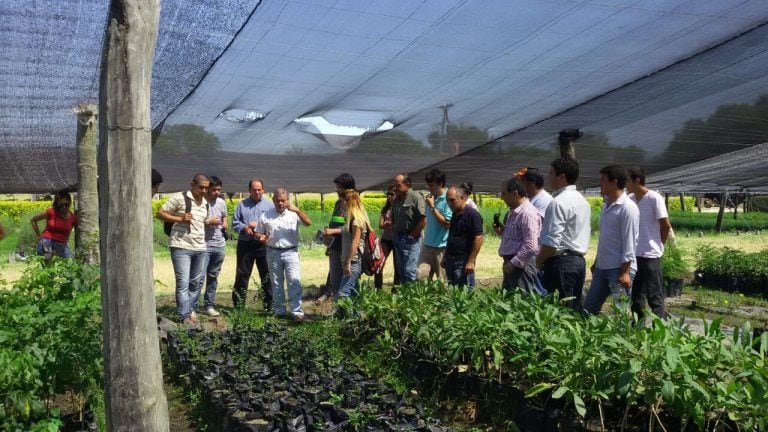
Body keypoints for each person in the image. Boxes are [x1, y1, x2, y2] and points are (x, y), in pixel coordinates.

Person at [535, 157, 591, 311]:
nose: (549, 177)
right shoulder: (583, 201)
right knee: (574, 310)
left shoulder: (558, 202)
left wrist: (538, 261)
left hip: (561, 264)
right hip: (578, 262)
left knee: (562, 312)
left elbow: (552, 242)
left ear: (562, 176)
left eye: (552, 173)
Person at [583, 165, 639, 316]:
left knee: (622, 314)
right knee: (588, 310)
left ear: (614, 182)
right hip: (603, 267)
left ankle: (625, 339)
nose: (600, 184)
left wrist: (625, 272)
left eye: (603, 180)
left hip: (619, 269)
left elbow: (629, 242)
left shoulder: (627, 208)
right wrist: (596, 262)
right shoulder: (606, 207)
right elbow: (605, 238)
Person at [156, 174, 210, 324]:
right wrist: (179, 219)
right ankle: (184, 315)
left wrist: (212, 221)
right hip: (181, 246)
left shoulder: (205, 203)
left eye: (206, 188)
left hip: (200, 247)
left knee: (196, 282)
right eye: (201, 187)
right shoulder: (179, 197)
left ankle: (190, 309)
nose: (204, 190)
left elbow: (203, 221)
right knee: (183, 282)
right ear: (192, 184)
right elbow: (159, 213)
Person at [257, 188, 312, 321]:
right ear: (273, 200)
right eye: (277, 201)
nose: (280, 203)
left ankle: (297, 312)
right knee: (276, 283)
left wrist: (297, 210)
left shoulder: (294, 214)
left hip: (291, 252)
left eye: (283, 200)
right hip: (273, 251)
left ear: (288, 200)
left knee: (294, 281)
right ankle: (279, 311)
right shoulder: (266, 215)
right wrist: (261, 238)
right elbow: (258, 232)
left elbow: (308, 223)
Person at [626, 167, 672, 320]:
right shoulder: (630, 199)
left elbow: (665, 225)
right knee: (636, 296)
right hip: (634, 255)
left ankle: (659, 329)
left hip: (650, 254)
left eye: (628, 180)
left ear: (637, 181)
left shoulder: (654, 198)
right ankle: (637, 328)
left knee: (655, 295)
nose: (626, 184)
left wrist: (660, 244)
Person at [232, 178, 275, 309]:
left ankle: (269, 306)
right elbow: (234, 223)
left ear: (263, 190)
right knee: (242, 275)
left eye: (259, 190)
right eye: (254, 190)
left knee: (266, 275)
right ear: (249, 190)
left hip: (263, 245)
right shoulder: (241, 205)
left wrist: (262, 230)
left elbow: (274, 223)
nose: (257, 192)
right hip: (246, 244)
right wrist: (245, 227)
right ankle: (238, 305)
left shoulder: (270, 206)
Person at [495, 177, 542, 294]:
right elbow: (519, 236)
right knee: (510, 301)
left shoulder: (527, 213)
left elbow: (531, 245)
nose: (501, 197)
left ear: (515, 193)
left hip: (521, 266)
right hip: (513, 264)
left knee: (522, 303)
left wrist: (513, 263)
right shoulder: (515, 211)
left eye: (504, 194)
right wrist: (503, 231)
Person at [322, 173, 356, 300]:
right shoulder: (338, 203)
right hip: (335, 247)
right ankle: (338, 310)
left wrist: (332, 231)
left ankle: (348, 311)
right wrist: (329, 242)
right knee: (335, 280)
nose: (337, 190)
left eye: (339, 188)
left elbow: (352, 229)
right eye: (336, 188)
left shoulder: (353, 204)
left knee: (347, 281)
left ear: (348, 188)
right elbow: (336, 223)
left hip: (347, 248)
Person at [443, 185, 484, 288]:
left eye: (452, 200)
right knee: (453, 290)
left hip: (463, 260)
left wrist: (471, 261)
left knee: (464, 292)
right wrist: (445, 256)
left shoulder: (472, 215)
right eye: (447, 201)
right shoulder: (455, 214)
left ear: (462, 198)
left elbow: (478, 238)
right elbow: (451, 236)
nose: (449, 204)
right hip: (451, 259)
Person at [391, 173, 427, 284]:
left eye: (398, 185)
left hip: (411, 239)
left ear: (407, 184)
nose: (395, 188)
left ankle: (412, 298)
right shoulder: (397, 199)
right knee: (401, 271)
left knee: (409, 271)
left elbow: (423, 219)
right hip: (398, 238)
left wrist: (412, 235)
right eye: (394, 186)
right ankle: (404, 297)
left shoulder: (416, 197)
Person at [338, 189, 372, 305]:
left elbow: (355, 243)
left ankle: (345, 319)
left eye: (343, 201)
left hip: (354, 261)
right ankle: (354, 319)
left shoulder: (357, 221)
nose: (342, 204)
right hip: (351, 260)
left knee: (344, 293)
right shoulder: (351, 219)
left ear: (349, 202)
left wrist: (348, 261)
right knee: (354, 293)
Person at [417, 169, 452, 282]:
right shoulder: (429, 199)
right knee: (420, 276)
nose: (429, 188)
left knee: (442, 282)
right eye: (428, 185)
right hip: (427, 245)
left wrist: (432, 207)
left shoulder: (448, 199)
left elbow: (447, 224)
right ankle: (424, 299)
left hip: (441, 247)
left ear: (441, 184)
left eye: (432, 185)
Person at [201, 176, 227, 317]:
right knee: (198, 278)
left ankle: (209, 305)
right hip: (204, 245)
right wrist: (208, 221)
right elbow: (195, 220)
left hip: (219, 244)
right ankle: (191, 307)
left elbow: (224, 217)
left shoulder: (222, 202)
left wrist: (225, 223)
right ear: (207, 189)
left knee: (213, 277)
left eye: (219, 190)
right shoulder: (202, 202)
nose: (217, 192)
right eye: (214, 190)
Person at [31, 191, 78, 259]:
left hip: (61, 244)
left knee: (70, 262)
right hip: (46, 243)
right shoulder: (51, 211)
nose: (64, 207)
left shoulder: (73, 218)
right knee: (48, 263)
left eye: (66, 204)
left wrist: (66, 242)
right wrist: (38, 235)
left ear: (70, 202)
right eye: (61, 205)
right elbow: (33, 220)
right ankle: (47, 261)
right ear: (57, 204)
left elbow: (68, 233)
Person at [375, 185, 400, 289]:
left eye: (392, 194)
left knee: (398, 266)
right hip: (386, 239)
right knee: (378, 263)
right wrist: (391, 223)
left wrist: (390, 223)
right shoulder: (386, 209)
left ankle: (396, 290)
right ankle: (378, 288)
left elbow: (400, 224)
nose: (389, 196)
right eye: (388, 194)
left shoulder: (400, 208)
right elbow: (380, 225)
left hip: (397, 239)